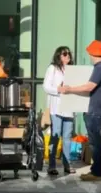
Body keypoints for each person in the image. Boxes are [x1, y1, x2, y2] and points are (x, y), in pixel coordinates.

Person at [58, 40, 101, 182]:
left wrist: (69, 89)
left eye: (89, 53)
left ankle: (97, 172)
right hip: (99, 110)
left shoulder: (100, 68)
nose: (89, 56)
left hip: (96, 111)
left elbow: (89, 87)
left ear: (93, 53)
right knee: (96, 142)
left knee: (95, 143)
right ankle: (97, 170)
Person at [43, 46, 75, 175]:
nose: (68, 56)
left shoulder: (73, 70)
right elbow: (46, 86)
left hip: (69, 107)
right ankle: (52, 165)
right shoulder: (53, 68)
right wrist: (58, 89)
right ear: (58, 56)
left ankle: (67, 164)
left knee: (67, 136)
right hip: (56, 107)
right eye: (64, 54)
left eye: (69, 54)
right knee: (55, 135)